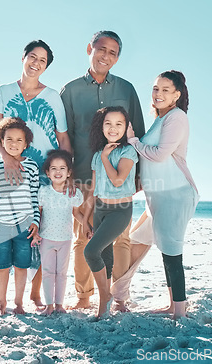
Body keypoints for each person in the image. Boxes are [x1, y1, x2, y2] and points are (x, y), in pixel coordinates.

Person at [60, 30, 145, 310]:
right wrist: (67, 174)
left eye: (113, 52)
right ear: (89, 48)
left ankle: (119, 297)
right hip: (84, 175)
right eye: (101, 49)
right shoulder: (70, 90)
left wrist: (140, 173)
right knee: (84, 236)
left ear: (118, 58)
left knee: (121, 239)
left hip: (120, 179)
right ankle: (84, 296)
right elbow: (64, 135)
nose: (106, 56)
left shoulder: (126, 89)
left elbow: (138, 135)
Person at [0, 40, 71, 308]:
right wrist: (7, 160)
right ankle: (5, 297)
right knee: (7, 234)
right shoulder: (3, 91)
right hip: (8, 175)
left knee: (38, 236)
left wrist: (67, 175)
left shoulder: (52, 97)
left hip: (42, 175)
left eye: (43, 61)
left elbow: (62, 138)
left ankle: (35, 293)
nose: (36, 63)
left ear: (46, 66)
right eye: (32, 57)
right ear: (23, 57)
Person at [127, 70, 199, 319]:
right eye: (156, 88)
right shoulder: (161, 118)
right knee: (164, 249)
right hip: (158, 196)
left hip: (175, 194)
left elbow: (158, 154)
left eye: (165, 90)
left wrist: (133, 141)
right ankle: (173, 304)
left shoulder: (177, 117)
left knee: (172, 251)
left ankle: (179, 310)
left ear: (176, 95)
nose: (158, 93)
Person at [0, 117, 40, 316]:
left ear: (26, 143)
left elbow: (34, 196)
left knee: (22, 266)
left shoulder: (31, 167)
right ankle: (1, 302)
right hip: (0, 225)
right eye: (9, 139)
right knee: (2, 266)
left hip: (24, 225)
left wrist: (35, 222)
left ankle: (19, 303)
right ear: (1, 141)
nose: (14, 144)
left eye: (19, 140)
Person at [81, 106, 138, 317]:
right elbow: (93, 191)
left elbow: (117, 180)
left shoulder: (128, 152)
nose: (113, 128)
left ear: (126, 127)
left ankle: (105, 296)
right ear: (101, 126)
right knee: (105, 255)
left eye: (118, 124)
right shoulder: (97, 154)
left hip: (120, 210)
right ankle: (104, 305)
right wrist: (86, 220)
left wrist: (106, 158)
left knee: (90, 252)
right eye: (108, 123)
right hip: (100, 209)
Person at [32, 150, 84, 316]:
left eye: (62, 168)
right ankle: (49, 305)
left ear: (69, 172)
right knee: (47, 272)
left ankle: (59, 304)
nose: (58, 172)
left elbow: (77, 213)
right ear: (47, 173)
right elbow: (38, 214)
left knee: (61, 273)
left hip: (65, 239)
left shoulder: (73, 192)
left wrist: (88, 226)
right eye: (53, 168)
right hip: (46, 238)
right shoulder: (44, 192)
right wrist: (36, 233)